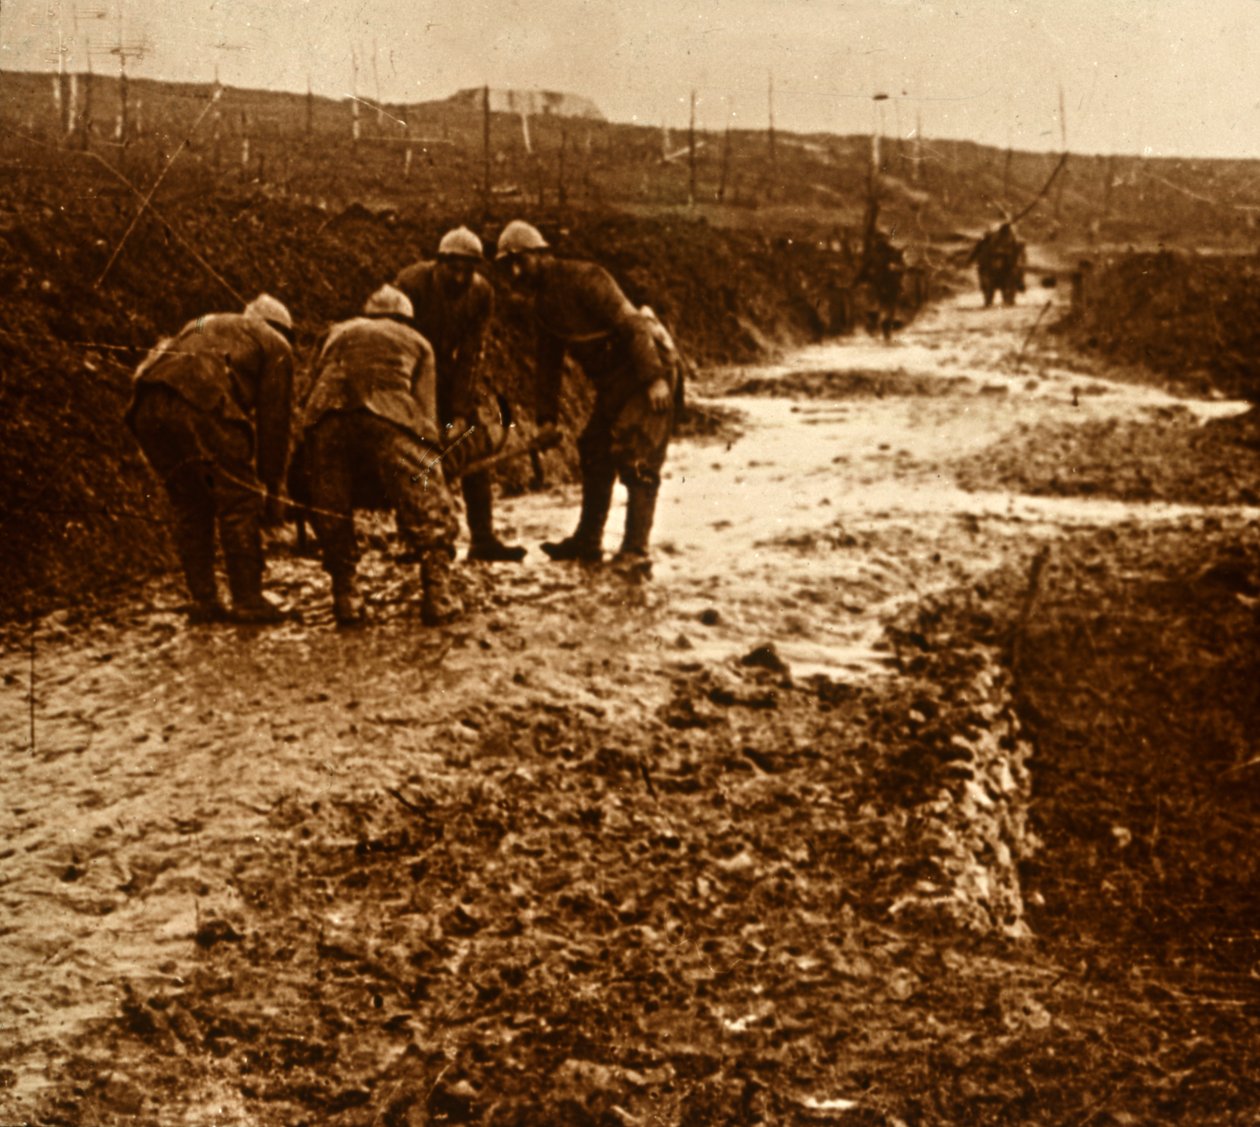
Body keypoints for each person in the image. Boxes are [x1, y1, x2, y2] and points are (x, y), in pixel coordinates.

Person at [495, 220, 681, 577]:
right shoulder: (542, 306)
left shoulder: (586, 278)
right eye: (509, 267)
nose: (516, 272)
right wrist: (546, 418)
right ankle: (588, 540)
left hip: (647, 373)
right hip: (614, 383)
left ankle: (636, 551)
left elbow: (634, 326)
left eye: (521, 262)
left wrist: (654, 379)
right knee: (593, 448)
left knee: (635, 450)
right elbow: (548, 365)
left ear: (541, 254)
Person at [298, 284, 462, 627]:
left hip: (325, 417)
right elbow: (425, 414)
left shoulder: (335, 332)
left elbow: (311, 386)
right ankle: (438, 594)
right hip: (388, 414)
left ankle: (346, 597)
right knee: (429, 503)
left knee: (332, 506)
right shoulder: (418, 342)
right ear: (406, 318)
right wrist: (434, 464)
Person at [126, 293, 294, 624]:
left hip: (145, 403)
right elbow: (275, 422)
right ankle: (248, 599)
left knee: (191, 503)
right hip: (201, 400)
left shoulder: (203, 320)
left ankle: (203, 599)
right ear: (282, 330)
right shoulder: (276, 345)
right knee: (240, 500)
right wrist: (273, 484)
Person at [393, 226, 525, 563]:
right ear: (439, 263)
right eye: (453, 268)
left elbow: (472, 355)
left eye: (468, 269)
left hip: (446, 372)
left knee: (472, 440)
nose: (460, 276)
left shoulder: (481, 294)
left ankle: (482, 537)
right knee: (414, 453)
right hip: (407, 373)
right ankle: (414, 539)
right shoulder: (411, 284)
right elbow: (394, 343)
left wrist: (461, 411)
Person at [856, 229, 906, 341]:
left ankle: (880, 327)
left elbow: (864, 268)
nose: (879, 242)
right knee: (888, 305)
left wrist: (859, 279)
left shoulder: (874, 252)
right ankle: (882, 329)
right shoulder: (887, 251)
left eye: (880, 240)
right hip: (883, 281)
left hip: (879, 280)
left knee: (880, 305)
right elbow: (900, 267)